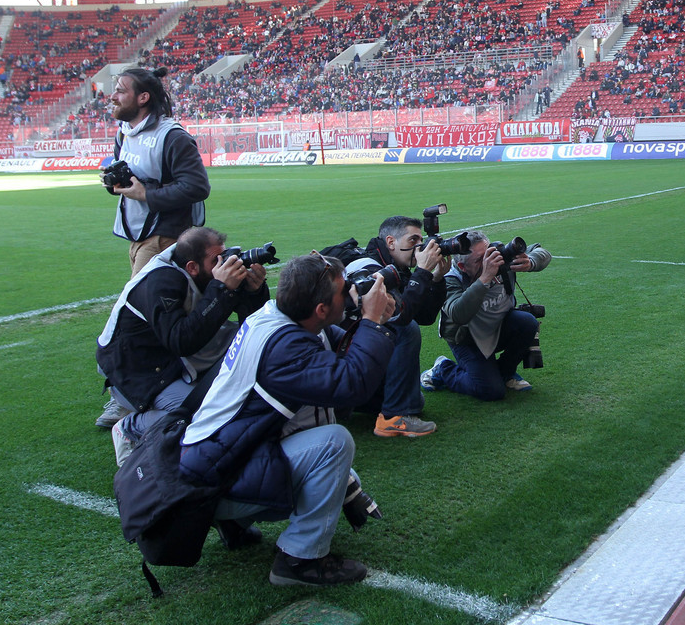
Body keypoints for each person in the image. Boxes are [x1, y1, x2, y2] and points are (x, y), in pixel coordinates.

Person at [179, 253, 397, 587]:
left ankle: (234, 523)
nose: (352, 292)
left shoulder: (277, 317)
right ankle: (299, 560)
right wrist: (372, 323)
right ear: (321, 310)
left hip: (215, 460)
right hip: (215, 479)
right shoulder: (285, 349)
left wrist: (366, 319)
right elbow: (353, 383)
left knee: (323, 444)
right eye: (344, 291)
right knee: (334, 443)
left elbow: (339, 353)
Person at [95, 227, 269, 461]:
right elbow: (181, 341)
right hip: (139, 372)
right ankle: (131, 427)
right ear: (192, 267)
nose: (223, 264)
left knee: (245, 377)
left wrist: (254, 291)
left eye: (224, 255)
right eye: (215, 260)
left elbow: (251, 329)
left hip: (177, 360)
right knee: (200, 415)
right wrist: (221, 290)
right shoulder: (160, 281)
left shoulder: (206, 273)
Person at [344, 216, 445, 438]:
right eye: (413, 240)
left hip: (358, 357)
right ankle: (395, 417)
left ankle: (360, 402)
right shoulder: (367, 266)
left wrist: (436, 279)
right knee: (405, 329)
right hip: (343, 360)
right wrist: (422, 272)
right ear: (391, 242)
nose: (420, 246)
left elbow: (425, 316)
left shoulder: (397, 268)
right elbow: (398, 317)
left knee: (415, 399)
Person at [106, 66, 210, 277]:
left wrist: (146, 195)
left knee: (138, 305)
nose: (113, 97)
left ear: (143, 97)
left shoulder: (173, 137)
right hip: (138, 235)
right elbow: (135, 182)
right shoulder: (124, 134)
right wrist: (115, 184)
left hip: (164, 237)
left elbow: (197, 187)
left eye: (120, 91)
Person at [423, 232, 551, 401]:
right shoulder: (450, 279)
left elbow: (541, 252)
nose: (489, 261)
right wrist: (485, 278)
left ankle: (505, 373)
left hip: (499, 326)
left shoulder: (500, 256)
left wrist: (531, 262)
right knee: (491, 391)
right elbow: (458, 315)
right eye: (479, 260)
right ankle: (443, 368)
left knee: (527, 323)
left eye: (488, 254)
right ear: (462, 266)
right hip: (467, 339)